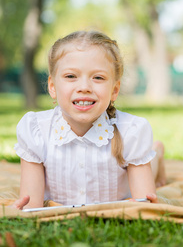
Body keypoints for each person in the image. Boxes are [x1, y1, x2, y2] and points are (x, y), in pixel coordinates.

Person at [12, 30, 166, 210]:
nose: (84, 87)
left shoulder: (131, 132)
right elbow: (31, 206)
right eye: (71, 76)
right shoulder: (36, 130)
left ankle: (156, 153)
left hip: (124, 185)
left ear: (114, 90)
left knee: (149, 165)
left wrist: (146, 203)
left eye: (98, 78)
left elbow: (145, 204)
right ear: (52, 87)